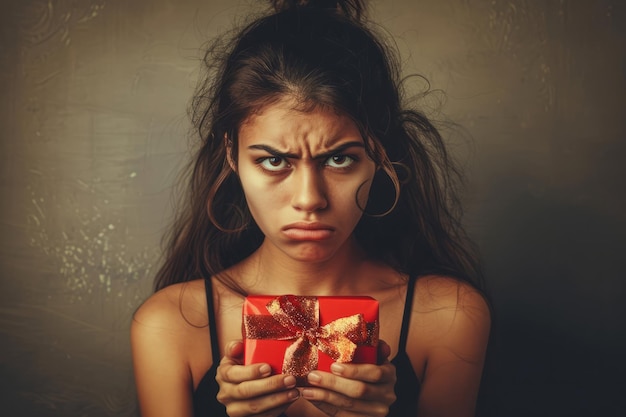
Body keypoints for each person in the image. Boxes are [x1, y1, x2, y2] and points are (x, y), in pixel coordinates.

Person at [131, 0, 491, 416]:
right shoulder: (170, 325)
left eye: (339, 159)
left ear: (380, 155)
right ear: (232, 155)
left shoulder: (447, 316)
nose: (309, 199)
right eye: (273, 160)